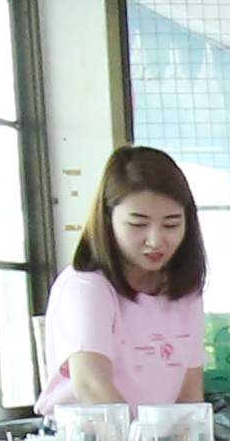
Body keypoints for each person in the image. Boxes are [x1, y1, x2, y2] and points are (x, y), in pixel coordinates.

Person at [43, 141, 212, 414]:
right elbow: (92, 387)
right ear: (108, 219)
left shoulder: (184, 291)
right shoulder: (86, 286)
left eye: (171, 224)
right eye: (138, 224)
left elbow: (189, 393)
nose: (156, 240)